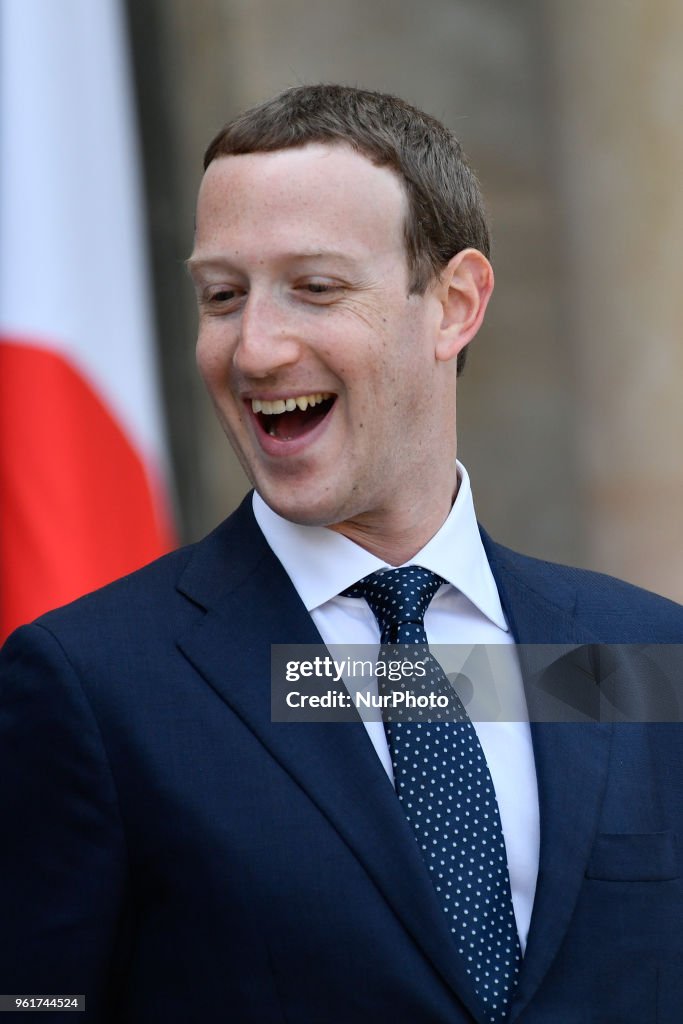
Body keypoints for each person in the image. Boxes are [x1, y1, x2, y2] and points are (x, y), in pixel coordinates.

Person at [1, 84, 682, 1024]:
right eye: (222, 296)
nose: (256, 349)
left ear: (453, 304)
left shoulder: (640, 656)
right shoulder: (94, 684)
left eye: (315, 288)